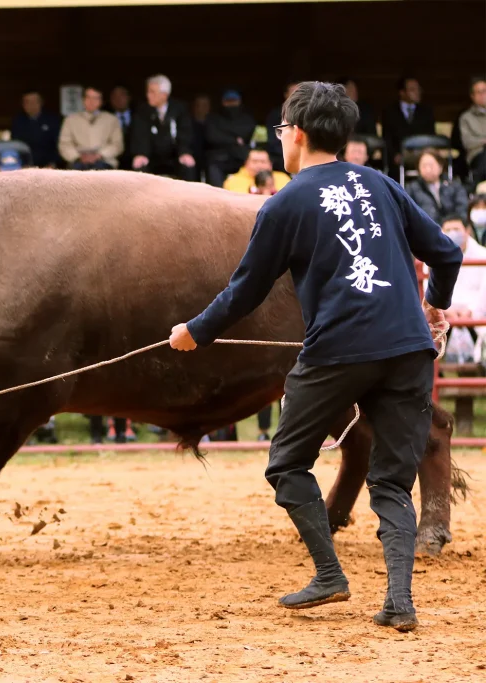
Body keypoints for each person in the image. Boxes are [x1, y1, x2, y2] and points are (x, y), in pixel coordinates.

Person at [169, 81, 462, 632]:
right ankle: (400, 602)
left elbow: (245, 291)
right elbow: (447, 253)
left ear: (297, 134)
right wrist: (433, 306)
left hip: (337, 353)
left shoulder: (285, 202)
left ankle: (330, 575)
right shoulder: (382, 185)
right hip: (407, 351)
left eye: (282, 130)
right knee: (393, 482)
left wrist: (194, 331)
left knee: (285, 463)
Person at [129, 74, 196, 181]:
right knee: (139, 165)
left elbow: (186, 133)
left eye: (152, 92)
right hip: (151, 156)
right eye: (148, 91)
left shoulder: (180, 109)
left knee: (188, 165)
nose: (148, 95)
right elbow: (140, 135)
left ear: (164, 95)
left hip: (174, 156)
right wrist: (141, 153)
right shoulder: (142, 110)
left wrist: (184, 152)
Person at [439, 215, 486, 362]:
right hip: (446, 311)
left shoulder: (482, 255)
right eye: (448, 230)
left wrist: (470, 310)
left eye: (456, 229)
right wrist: (448, 311)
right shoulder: (433, 256)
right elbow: (429, 288)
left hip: (476, 311)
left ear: (467, 231)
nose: (452, 233)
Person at [382, 76, 436, 177]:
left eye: (418, 89)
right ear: (402, 92)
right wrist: (394, 155)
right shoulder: (389, 112)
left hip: (423, 155)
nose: (417, 92)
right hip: (398, 159)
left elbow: (431, 137)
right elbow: (387, 138)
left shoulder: (427, 112)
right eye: (412, 89)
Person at [58, 86, 122, 170]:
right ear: (83, 100)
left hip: (104, 161)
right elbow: (64, 144)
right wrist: (79, 157)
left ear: (101, 101)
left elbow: (117, 144)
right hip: (78, 161)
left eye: (96, 98)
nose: (91, 101)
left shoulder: (111, 119)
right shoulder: (70, 120)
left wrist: (99, 155)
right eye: (88, 97)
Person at [205, 89, 256, 188]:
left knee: (254, 164)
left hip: (241, 157)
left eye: (234, 101)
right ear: (223, 102)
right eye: (228, 101)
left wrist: (224, 134)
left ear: (239, 101)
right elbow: (212, 136)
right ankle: (218, 198)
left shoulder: (246, 118)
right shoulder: (213, 118)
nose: (231, 104)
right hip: (219, 156)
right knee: (212, 167)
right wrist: (234, 139)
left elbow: (246, 132)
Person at [405, 150, 468, 224]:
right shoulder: (411, 189)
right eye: (424, 166)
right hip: (425, 230)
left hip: (452, 228)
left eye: (431, 165)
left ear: (440, 167)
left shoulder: (454, 186)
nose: (428, 169)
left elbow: (462, 209)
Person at [10, 89, 61, 168]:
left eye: (34, 101)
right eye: (27, 102)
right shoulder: (18, 121)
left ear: (41, 102)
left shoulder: (52, 120)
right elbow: (15, 145)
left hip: (49, 166)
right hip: (24, 167)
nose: (31, 105)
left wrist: (53, 163)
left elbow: (59, 144)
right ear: (23, 104)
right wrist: (22, 165)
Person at [266, 80, 302, 173]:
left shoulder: (310, 114)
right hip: (281, 156)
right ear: (286, 95)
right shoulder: (275, 115)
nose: (296, 96)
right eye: (293, 93)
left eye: (300, 93)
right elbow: (273, 141)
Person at [222, 147, 290, 194]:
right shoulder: (234, 180)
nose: (259, 166)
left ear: (270, 165)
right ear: (246, 164)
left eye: (263, 162)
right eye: (255, 162)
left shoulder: (282, 178)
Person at [459, 76, 486, 187]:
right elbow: (467, 143)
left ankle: (473, 186)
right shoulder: (466, 117)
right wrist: (484, 141)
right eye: (478, 92)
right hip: (477, 156)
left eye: (484, 91)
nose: (482, 95)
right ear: (472, 96)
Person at [109, 85, 134, 170]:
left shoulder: (139, 115)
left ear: (129, 97)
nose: (118, 99)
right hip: (113, 160)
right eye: (115, 96)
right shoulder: (106, 117)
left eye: (122, 95)